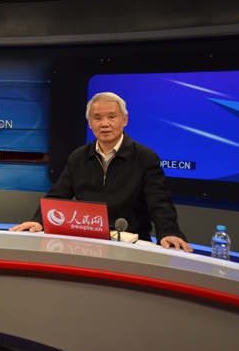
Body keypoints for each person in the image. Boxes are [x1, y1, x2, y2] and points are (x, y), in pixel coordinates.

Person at [11, 92, 192, 252]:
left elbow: (159, 201)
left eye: (112, 117)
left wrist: (169, 232)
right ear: (90, 123)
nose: (105, 124)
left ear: (125, 120)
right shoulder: (79, 157)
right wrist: (39, 221)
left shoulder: (145, 157)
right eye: (97, 118)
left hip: (131, 245)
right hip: (86, 243)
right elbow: (57, 195)